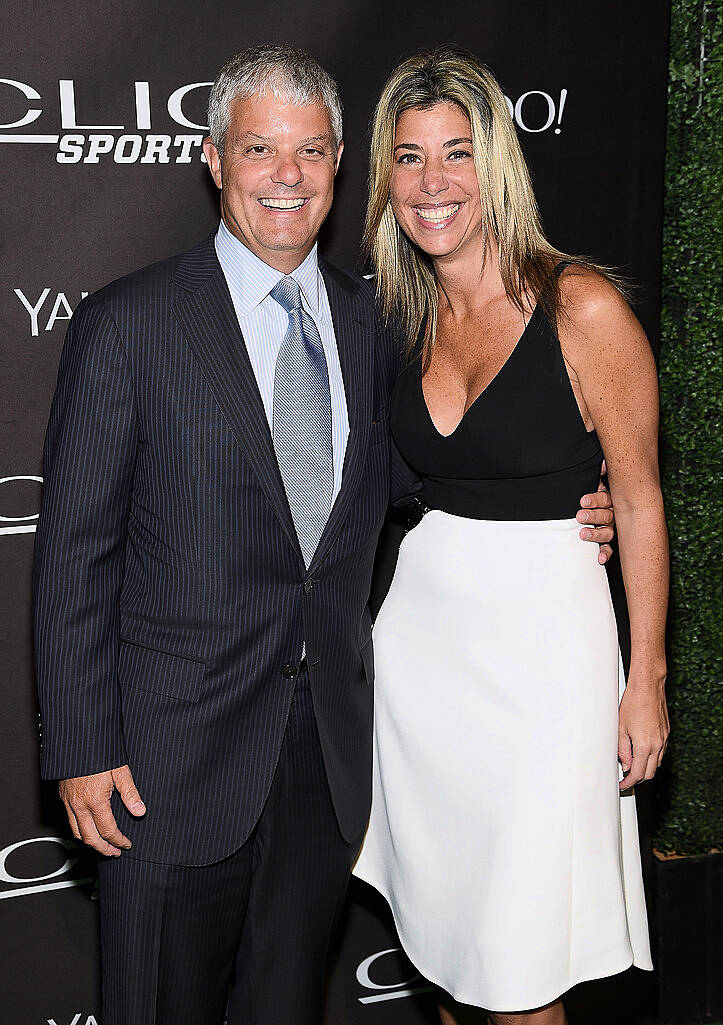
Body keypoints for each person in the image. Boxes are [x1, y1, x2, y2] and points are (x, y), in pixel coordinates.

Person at [33, 43, 615, 1025]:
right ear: (215, 160)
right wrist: (82, 743)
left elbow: (431, 473)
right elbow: (74, 555)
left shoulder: (378, 318)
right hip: (165, 767)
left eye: (309, 150)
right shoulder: (127, 324)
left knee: (285, 1003)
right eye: (260, 147)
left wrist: (572, 496)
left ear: (341, 162)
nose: (287, 175)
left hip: (325, 763)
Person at [353, 48, 669, 1025]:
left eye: (455, 153)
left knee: (522, 969)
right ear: (386, 179)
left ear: (495, 166)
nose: (433, 182)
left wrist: (647, 675)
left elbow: (642, 494)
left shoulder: (583, 308)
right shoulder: (399, 313)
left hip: (544, 670)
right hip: (421, 661)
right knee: (450, 951)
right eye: (409, 159)